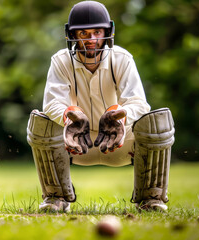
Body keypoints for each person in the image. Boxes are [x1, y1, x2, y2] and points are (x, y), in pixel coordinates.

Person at [27, 0, 175, 212]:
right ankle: (55, 198)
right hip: (76, 143)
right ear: (72, 35)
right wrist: (69, 115)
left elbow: (139, 103)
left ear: (108, 31)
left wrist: (121, 116)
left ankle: (151, 199)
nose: (92, 40)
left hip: (119, 141)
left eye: (97, 32)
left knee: (157, 122)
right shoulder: (61, 61)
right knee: (40, 124)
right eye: (84, 34)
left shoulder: (122, 58)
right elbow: (52, 103)